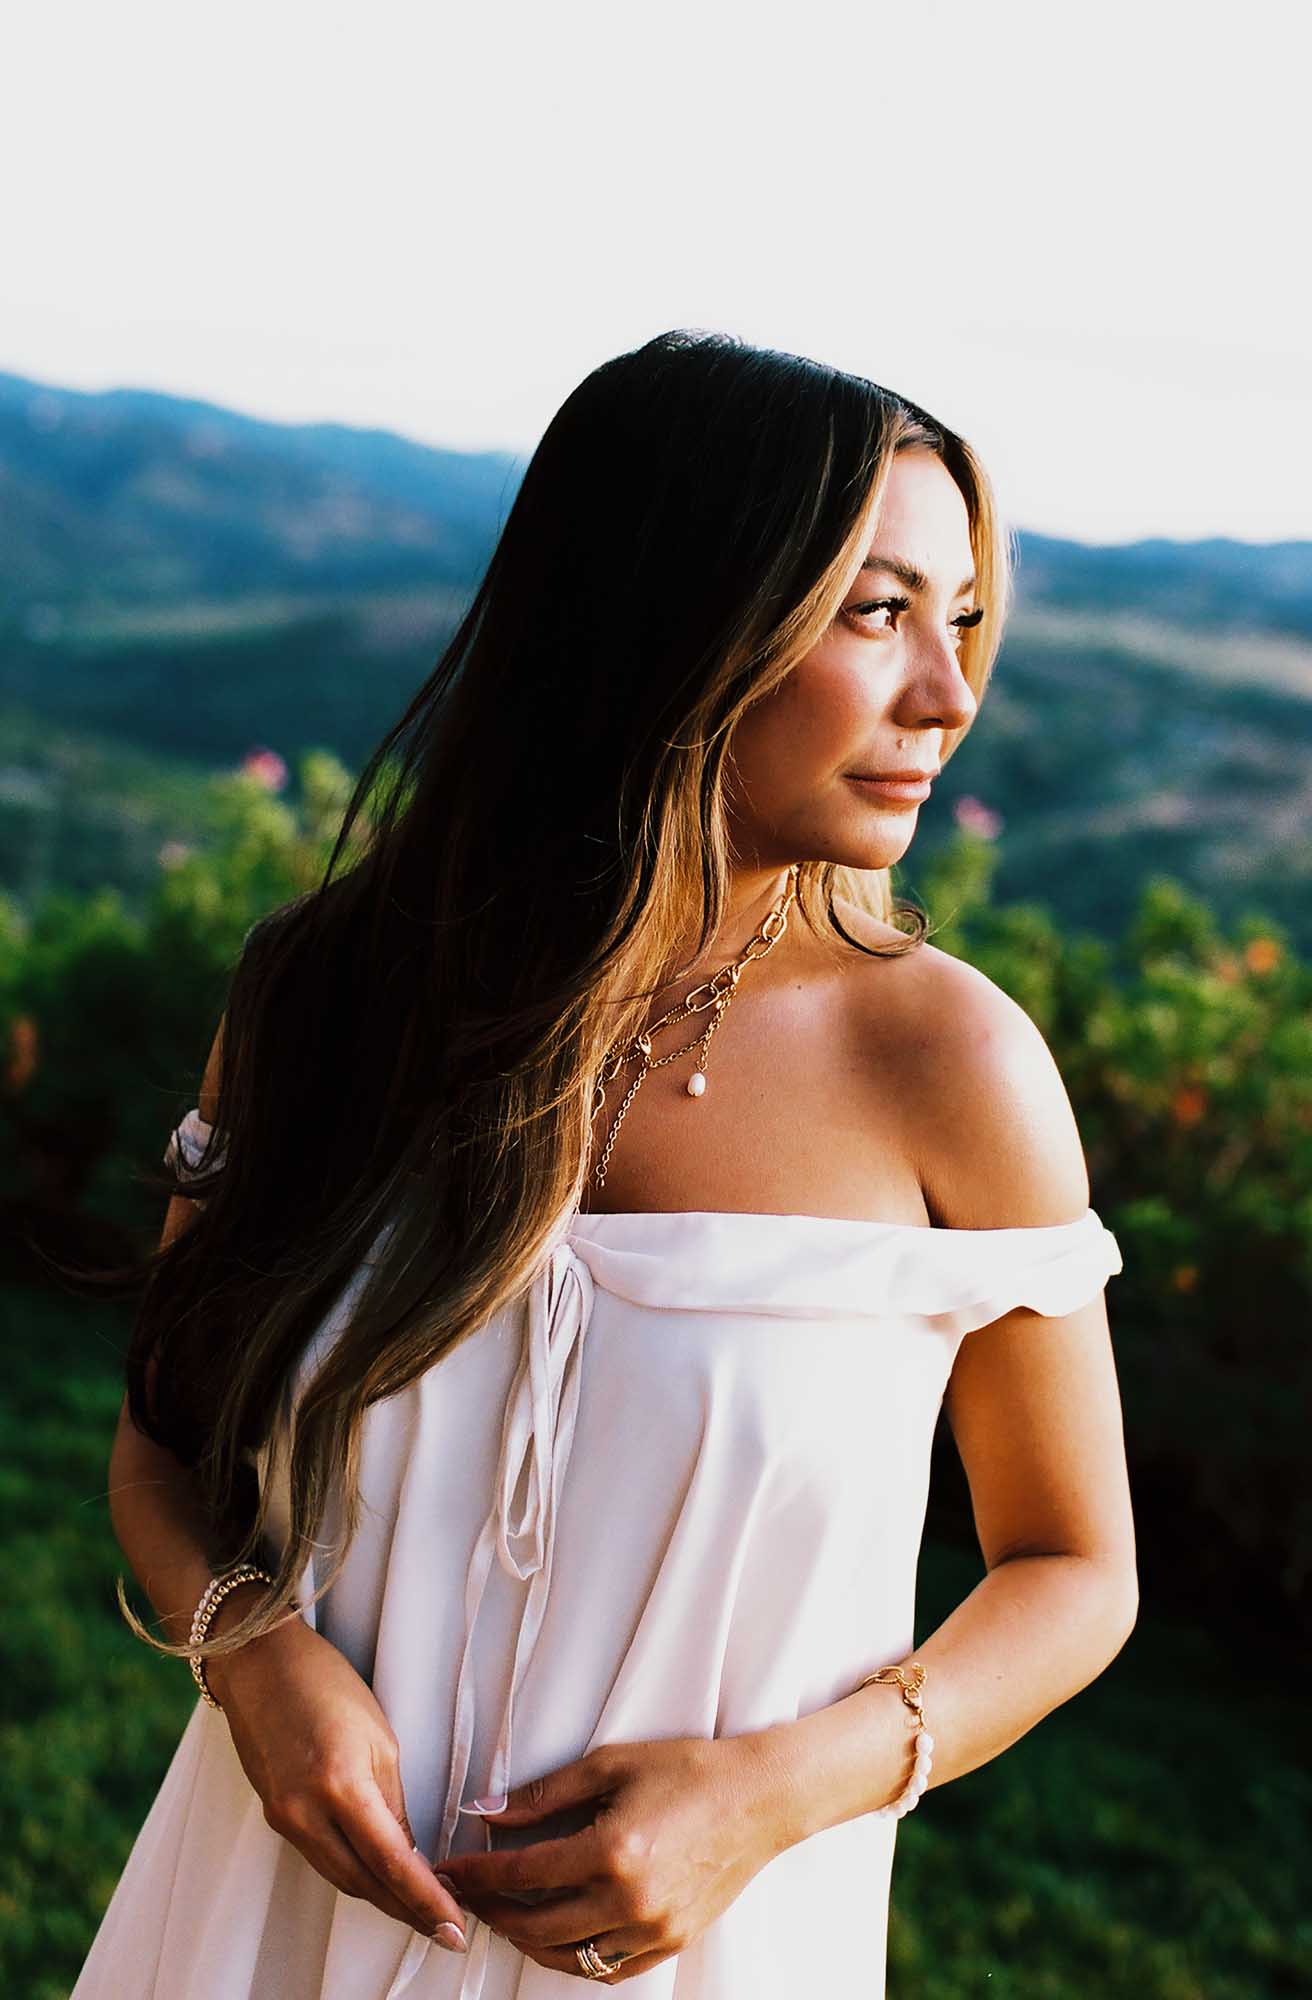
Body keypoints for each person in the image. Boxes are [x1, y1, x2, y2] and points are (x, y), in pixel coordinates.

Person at [73, 328, 1137, 1999]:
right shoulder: (335, 993)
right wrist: (253, 1662)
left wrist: (776, 1794)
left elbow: (1077, 1571)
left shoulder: (952, 1065)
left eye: (966, 617)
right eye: (878, 611)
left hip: (708, 1954)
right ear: (673, 608)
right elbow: (163, 1442)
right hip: (268, 1914)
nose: (951, 693)